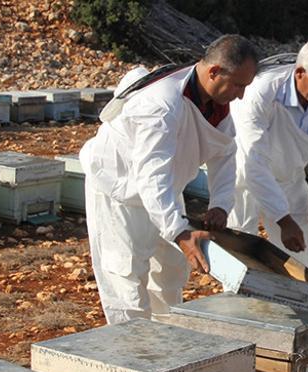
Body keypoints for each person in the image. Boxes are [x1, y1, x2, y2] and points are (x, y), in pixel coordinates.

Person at [80, 35, 259, 324]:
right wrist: (178, 230)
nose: (241, 95)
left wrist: (221, 204)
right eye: (239, 85)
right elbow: (151, 173)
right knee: (128, 279)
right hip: (121, 191)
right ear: (214, 72)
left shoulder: (215, 102)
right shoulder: (162, 105)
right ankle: (133, 355)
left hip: (166, 188)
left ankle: (168, 347)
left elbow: (225, 153)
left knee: (170, 273)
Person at [227, 37, 308, 276]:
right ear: (300, 73)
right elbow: (253, 162)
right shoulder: (261, 91)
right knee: (241, 247)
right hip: (243, 178)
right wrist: (282, 219)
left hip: (290, 177)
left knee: (305, 250)